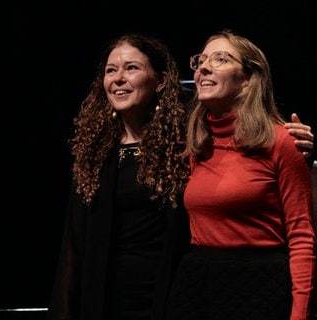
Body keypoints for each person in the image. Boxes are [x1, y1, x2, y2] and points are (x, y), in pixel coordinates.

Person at [46, 32, 315, 320]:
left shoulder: (187, 141)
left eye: (132, 68)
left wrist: (304, 151)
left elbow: (301, 234)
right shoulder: (104, 151)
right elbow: (73, 243)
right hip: (165, 291)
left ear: (160, 80)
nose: (119, 78)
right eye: (111, 70)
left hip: (206, 288)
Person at [165, 29, 316, 320]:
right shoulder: (195, 144)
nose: (204, 67)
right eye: (201, 60)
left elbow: (302, 238)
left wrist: (300, 313)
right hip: (198, 286)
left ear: (248, 81)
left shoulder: (282, 141)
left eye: (221, 59)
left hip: (260, 288)